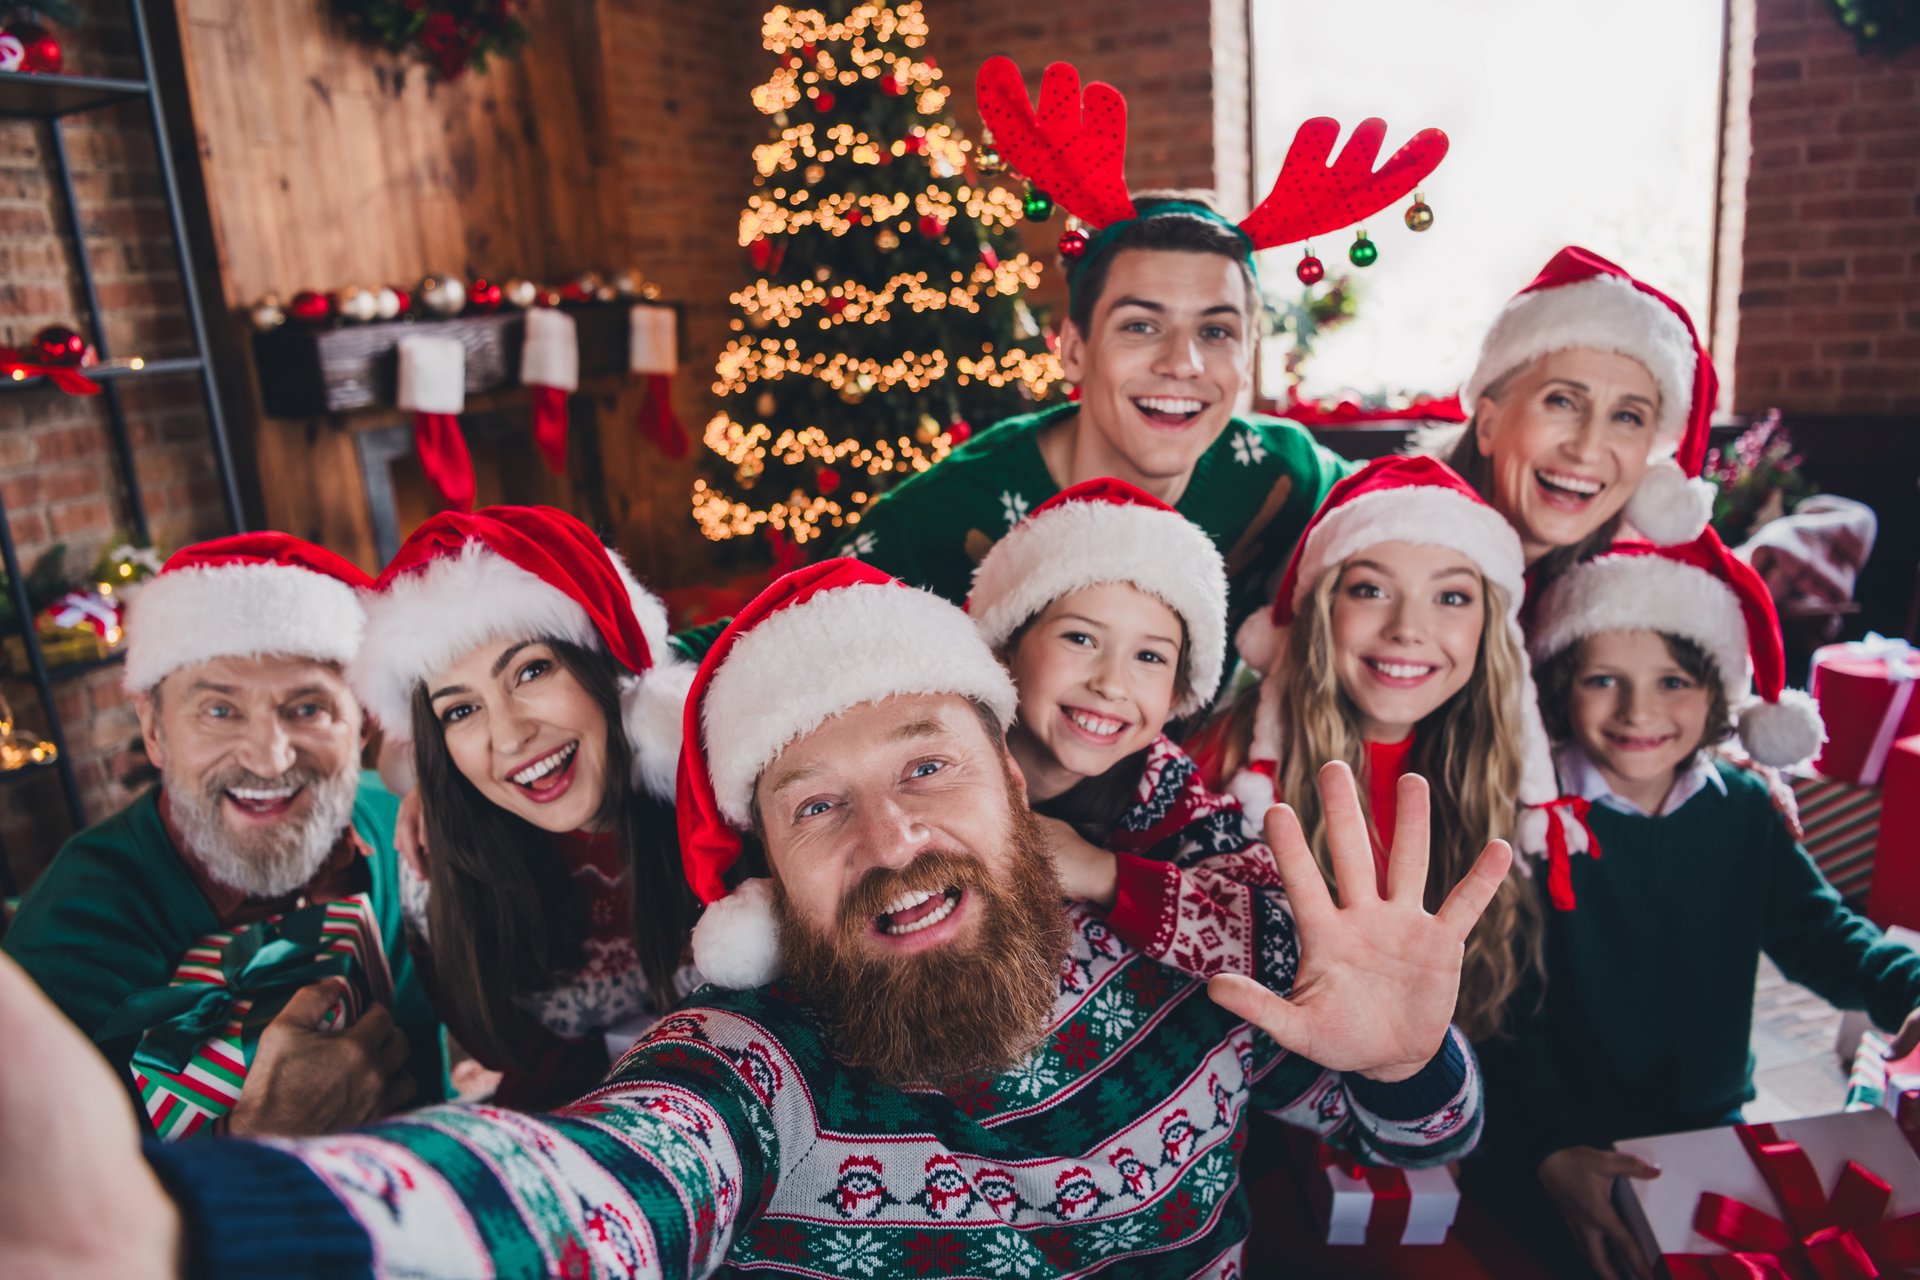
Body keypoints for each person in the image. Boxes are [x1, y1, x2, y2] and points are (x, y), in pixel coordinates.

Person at [0, 557, 1514, 1279]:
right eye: (816, 806)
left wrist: (1405, 1060)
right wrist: (185, 1230)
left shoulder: (1198, 973)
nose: (891, 839)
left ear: (1010, 776)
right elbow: (584, 1189)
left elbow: (1426, 1143)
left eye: (926, 766)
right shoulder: (752, 1060)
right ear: (766, 879)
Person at [832, 56, 1455, 676]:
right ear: (1074, 350)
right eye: (1140, 326)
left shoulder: (1282, 474)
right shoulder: (933, 522)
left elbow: (1436, 523)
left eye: (1216, 331)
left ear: (1247, 360)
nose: (1182, 363)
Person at [1476, 528, 1920, 1279]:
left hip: (1710, 1129)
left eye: (1674, 682)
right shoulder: (1529, 821)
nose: (1638, 711)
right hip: (1563, 1140)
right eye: (1603, 679)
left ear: (1718, 691)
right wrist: (1549, 1146)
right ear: (1560, 684)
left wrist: (1910, 985)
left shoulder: (1742, 808)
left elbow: (1820, 934)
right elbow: (1500, 1009)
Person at [2, 533, 440, 1137]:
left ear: (362, 724)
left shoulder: (400, 825)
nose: (268, 758)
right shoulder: (71, 932)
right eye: (219, 711)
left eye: (308, 708)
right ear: (154, 731)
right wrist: (258, 1135)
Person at [1211, 456, 1573, 1044]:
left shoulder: (1498, 774)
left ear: (1489, 630)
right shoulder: (1227, 761)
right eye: (1371, 590)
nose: (1407, 627)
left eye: (1451, 597)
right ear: (1324, 609)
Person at [348, 506, 702, 1108]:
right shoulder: (435, 868)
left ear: (602, 666)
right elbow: (519, 1063)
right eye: (461, 710)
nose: (510, 737)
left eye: (531, 671)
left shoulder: (721, 788)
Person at [968, 476, 1285, 980]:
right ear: (1006, 647)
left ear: (1176, 692)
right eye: (1080, 638)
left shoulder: (1166, 789)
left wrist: (1103, 873)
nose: (1112, 684)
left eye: (1149, 657)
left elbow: (1282, 943)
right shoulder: (945, 762)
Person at [1430, 246, 1721, 577]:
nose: (1586, 450)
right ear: (1487, 425)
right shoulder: (1395, 553)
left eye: (1627, 417)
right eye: (1562, 402)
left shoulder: (1627, 587)